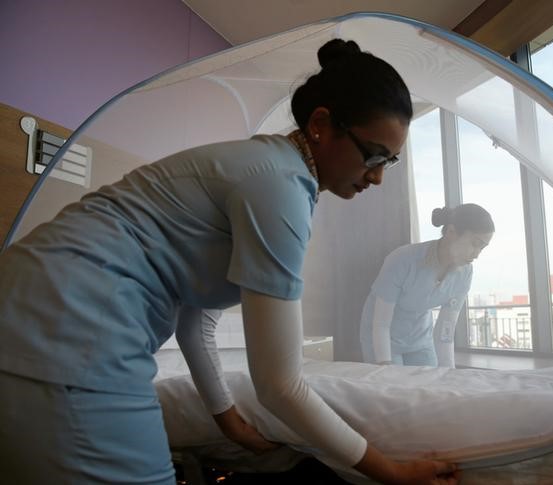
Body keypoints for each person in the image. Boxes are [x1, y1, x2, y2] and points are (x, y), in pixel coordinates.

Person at [0, 39, 460, 484]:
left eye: (391, 162)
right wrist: (393, 472)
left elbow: (196, 322)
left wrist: (227, 418)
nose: (378, 176)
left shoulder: (267, 169)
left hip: (33, 304)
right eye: (374, 155)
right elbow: (280, 386)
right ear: (322, 124)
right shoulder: (279, 186)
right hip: (71, 324)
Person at [360, 204, 495, 368]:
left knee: (433, 385)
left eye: (482, 247)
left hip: (420, 338)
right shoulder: (403, 260)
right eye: (475, 243)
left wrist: (448, 374)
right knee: (394, 386)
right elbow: (381, 323)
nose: (477, 254)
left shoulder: (465, 272)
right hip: (382, 335)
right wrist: (385, 365)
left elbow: (446, 330)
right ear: (451, 232)